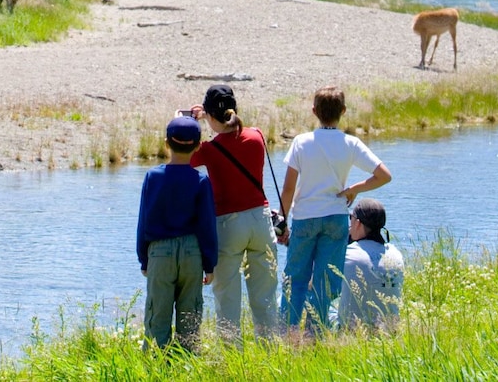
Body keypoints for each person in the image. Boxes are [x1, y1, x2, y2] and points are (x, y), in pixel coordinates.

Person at [278, 86, 392, 336]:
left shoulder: (301, 142)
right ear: (343, 111)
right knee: (325, 281)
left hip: (305, 218)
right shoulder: (350, 143)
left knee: (295, 278)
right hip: (336, 218)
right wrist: (354, 189)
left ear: (314, 111)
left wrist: (282, 220)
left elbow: (288, 189)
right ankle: (315, 335)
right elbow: (384, 175)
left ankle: (287, 335)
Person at [188, 85, 279, 342]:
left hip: (228, 225)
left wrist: (192, 120)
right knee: (265, 297)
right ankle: (270, 354)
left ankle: (231, 360)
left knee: (227, 298)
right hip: (261, 220)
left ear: (211, 115)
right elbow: (234, 131)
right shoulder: (257, 136)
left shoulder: (210, 150)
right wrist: (210, 115)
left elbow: (185, 154)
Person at [136, 116, 218, 352]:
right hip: (192, 252)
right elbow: (207, 226)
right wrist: (209, 263)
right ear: (198, 146)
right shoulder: (201, 180)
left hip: (159, 252)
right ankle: (186, 365)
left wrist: (144, 258)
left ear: (166, 143)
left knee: (157, 316)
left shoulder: (153, 177)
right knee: (190, 317)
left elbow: (144, 221)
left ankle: (155, 366)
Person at [338, 198, 404, 330]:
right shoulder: (396, 254)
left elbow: (318, 284)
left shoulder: (348, 254)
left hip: (353, 331)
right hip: (388, 330)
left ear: (357, 223)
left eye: (351, 218)